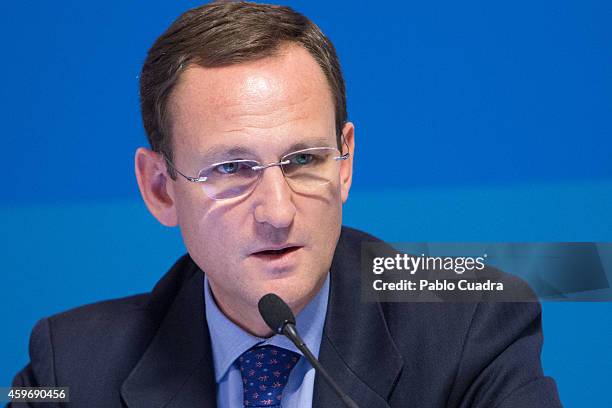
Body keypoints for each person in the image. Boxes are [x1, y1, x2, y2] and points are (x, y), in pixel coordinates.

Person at [11, 1, 562, 407]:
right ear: (160, 187)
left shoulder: (473, 322)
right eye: (231, 169)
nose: (277, 212)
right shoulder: (68, 371)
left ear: (344, 163)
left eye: (302, 160)